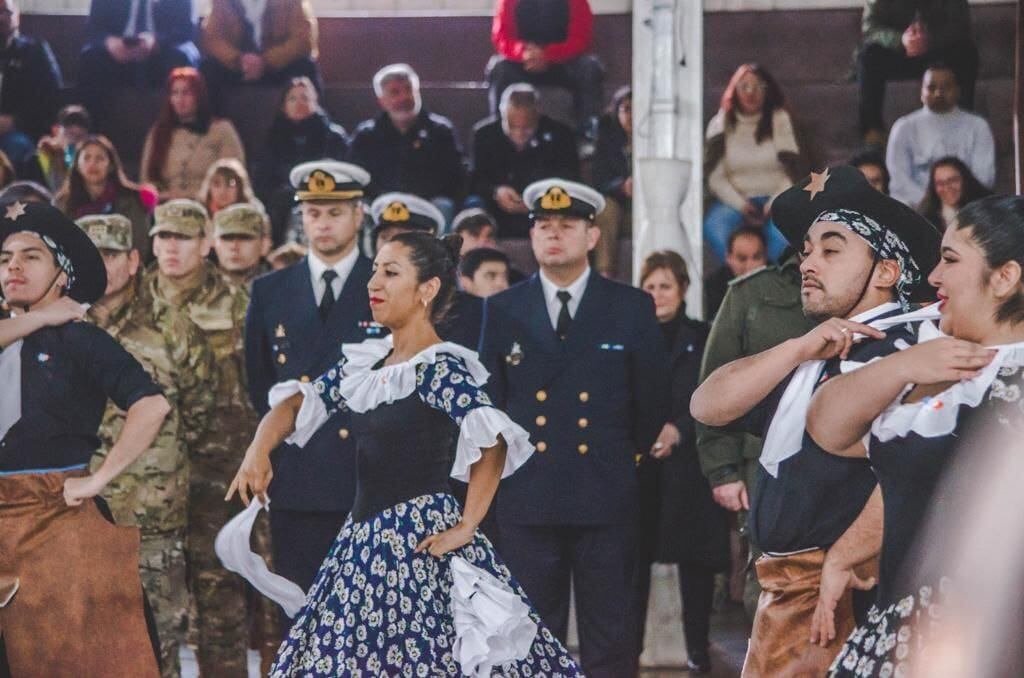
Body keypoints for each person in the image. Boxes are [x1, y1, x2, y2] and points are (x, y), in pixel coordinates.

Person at [229, 229, 582, 676]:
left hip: (418, 545)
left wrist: (467, 524)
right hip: (361, 543)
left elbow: (491, 438)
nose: (374, 283)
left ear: (427, 290)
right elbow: (297, 403)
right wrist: (258, 450)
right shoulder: (368, 364)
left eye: (390, 273)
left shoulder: (440, 367)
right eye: (375, 270)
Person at [691, 166, 942, 677]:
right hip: (787, 594)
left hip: (850, 597)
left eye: (831, 249)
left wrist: (845, 559)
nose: (808, 263)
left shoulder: (911, 348)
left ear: (887, 271)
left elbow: (912, 474)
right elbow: (708, 403)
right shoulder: (818, 351)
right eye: (806, 250)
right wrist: (796, 348)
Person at [805, 196, 1024, 677]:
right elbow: (826, 427)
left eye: (949, 260)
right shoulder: (929, 358)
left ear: (1005, 278)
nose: (933, 278)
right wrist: (903, 366)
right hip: (896, 631)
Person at [479, 178, 670, 677]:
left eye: (567, 225)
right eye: (543, 226)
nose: (553, 235)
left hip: (605, 493)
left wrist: (623, 459)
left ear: (591, 236)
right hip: (528, 496)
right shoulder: (502, 310)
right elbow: (490, 406)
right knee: (530, 637)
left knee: (611, 635)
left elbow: (651, 401)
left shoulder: (629, 307)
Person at [0, 201, 169, 676]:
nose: (12, 265)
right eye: (4, 257)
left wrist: (98, 481)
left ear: (63, 275)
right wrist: (38, 319)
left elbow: (151, 405)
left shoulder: (82, 341)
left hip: (57, 520)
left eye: (31, 255)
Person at [77, 213, 215, 678]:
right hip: (73, 520)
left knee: (155, 651)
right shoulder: (56, 328)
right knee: (78, 650)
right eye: (88, 256)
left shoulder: (172, 328)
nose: (99, 266)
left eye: (110, 255)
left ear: (134, 261)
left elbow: (200, 414)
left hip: (150, 522)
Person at [244, 161, 377, 602]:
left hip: (370, 479)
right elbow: (260, 381)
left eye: (335, 213)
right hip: (299, 479)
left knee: (370, 619)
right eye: (313, 213)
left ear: (359, 215)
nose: (322, 224)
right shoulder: (270, 291)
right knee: (301, 614)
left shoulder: (387, 284)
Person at [140, 198, 255, 677]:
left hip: (218, 468)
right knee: (150, 600)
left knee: (219, 596)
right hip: (146, 473)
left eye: (183, 237)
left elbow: (257, 384)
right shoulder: (134, 300)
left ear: (206, 244)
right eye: (163, 237)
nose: (171, 247)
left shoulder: (238, 302)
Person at [696, 243, 815, 621]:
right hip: (764, 460)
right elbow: (717, 383)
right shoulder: (752, 292)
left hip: (844, 456)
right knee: (768, 583)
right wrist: (723, 470)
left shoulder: (869, 284)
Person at [634, 250, 730, 674]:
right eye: (650, 286)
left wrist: (679, 430)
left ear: (684, 289)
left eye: (665, 286)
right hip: (642, 472)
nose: (657, 294)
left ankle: (698, 653)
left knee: (695, 566)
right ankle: (628, 652)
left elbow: (716, 396)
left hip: (689, 472)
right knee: (633, 565)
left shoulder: (704, 336)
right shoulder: (630, 336)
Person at [704, 63, 803, 264]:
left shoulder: (780, 119)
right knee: (716, 225)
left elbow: (793, 169)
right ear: (734, 90)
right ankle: (741, 275)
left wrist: (774, 202)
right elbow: (715, 177)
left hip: (776, 198)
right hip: (735, 201)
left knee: (782, 235)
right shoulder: (720, 124)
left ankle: (768, 277)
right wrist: (741, 205)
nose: (751, 93)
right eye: (744, 87)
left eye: (758, 87)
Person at [348, 64, 464, 225]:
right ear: (381, 101)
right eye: (395, 92)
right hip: (381, 205)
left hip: (427, 205)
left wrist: (418, 196)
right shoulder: (366, 136)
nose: (404, 97)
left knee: (444, 205)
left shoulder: (440, 131)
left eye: (409, 89)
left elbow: (455, 176)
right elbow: (358, 178)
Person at [857, 0, 977, 146]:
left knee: (967, 52)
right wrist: (901, 40)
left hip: (937, 52)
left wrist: (929, 39)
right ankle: (872, 131)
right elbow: (870, 27)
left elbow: (960, 26)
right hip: (898, 53)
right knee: (869, 55)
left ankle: (963, 124)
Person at [470, 83, 579, 238]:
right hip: (497, 208)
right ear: (502, 113)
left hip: (546, 207)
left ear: (538, 115)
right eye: (512, 127)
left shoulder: (560, 135)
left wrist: (539, 199)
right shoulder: (484, 135)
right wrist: (496, 192)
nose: (519, 134)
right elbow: (475, 180)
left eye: (527, 129)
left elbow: (570, 180)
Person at [487, 0, 605, 142]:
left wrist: (548, 55)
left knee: (590, 68)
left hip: (562, 63)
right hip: (523, 63)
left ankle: (587, 137)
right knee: (498, 68)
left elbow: (581, 38)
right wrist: (523, 53)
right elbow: (501, 36)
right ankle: (497, 137)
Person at [886, 64, 995, 207]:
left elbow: (984, 177)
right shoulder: (903, 127)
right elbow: (899, 179)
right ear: (921, 91)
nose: (938, 93)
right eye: (931, 88)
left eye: (945, 87)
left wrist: (955, 202)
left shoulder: (978, 126)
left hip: (965, 206)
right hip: (917, 207)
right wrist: (931, 204)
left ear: (958, 90)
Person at [140, 67, 246, 202]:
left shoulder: (222, 130)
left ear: (199, 96)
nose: (179, 99)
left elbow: (233, 175)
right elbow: (147, 179)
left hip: (209, 204)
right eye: (174, 93)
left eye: (186, 93)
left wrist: (192, 196)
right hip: (166, 205)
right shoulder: (158, 132)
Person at [264, 76, 348, 244]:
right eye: (293, 98)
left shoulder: (334, 137)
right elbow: (265, 177)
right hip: (285, 199)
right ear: (283, 105)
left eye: (305, 97)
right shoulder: (273, 138)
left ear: (316, 101)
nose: (299, 103)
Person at [200, 0, 321, 108]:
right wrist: (238, 60)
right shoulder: (222, 2)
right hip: (237, 67)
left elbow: (303, 39)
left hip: (277, 67)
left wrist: (265, 61)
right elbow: (212, 38)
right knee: (209, 68)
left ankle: (313, 127)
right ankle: (211, 129)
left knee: (305, 66)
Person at [55, 134, 156, 264]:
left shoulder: (132, 201)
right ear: (77, 165)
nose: (92, 163)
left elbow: (139, 246)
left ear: (111, 165)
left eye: (99, 158)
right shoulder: (63, 203)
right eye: (87, 158)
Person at [77, 0, 199, 97]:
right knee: (90, 58)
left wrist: (156, 41)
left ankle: (180, 127)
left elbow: (185, 28)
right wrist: (109, 42)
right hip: (117, 53)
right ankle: (89, 126)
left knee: (181, 59)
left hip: (161, 52)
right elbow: (92, 27)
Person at [0, 0, 63, 165]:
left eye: (5, 12)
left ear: (17, 17)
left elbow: (51, 100)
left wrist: (14, 122)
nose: (0, 18)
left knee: (18, 147)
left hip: (20, 133)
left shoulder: (35, 52)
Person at [592, 86, 631, 277]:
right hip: (620, 207)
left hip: (650, 208)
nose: (632, 115)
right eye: (626, 109)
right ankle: (605, 273)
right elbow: (599, 182)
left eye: (638, 108)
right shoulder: (607, 142)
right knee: (605, 208)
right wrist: (622, 186)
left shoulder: (661, 141)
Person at [20, 105, 92, 194]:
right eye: (69, 123)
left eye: (82, 124)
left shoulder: (91, 162)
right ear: (56, 129)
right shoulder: (35, 159)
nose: (76, 129)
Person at [703, 226, 767, 320]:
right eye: (742, 259)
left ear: (766, 256)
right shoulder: (713, 286)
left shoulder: (779, 281)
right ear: (728, 258)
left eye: (756, 257)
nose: (750, 266)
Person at [917, 155, 993, 231]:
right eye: (940, 183)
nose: (947, 188)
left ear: (965, 180)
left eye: (952, 180)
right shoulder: (926, 219)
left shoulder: (987, 208)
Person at [212, 202, 272, 288]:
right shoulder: (197, 292)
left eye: (245, 238)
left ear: (264, 245)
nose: (234, 247)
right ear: (214, 243)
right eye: (227, 238)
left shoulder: (283, 290)